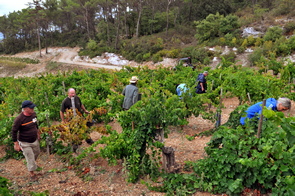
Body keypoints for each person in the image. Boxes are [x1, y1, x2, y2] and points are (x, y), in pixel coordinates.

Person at [11, 100, 41, 179]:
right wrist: (16, 144)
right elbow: (14, 131)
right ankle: (32, 174)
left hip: (34, 140)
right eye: (31, 108)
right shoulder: (19, 119)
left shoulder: (33, 115)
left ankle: (31, 164)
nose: (33, 109)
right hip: (25, 142)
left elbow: (36, 124)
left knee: (37, 153)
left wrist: (38, 133)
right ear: (25, 109)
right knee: (30, 157)